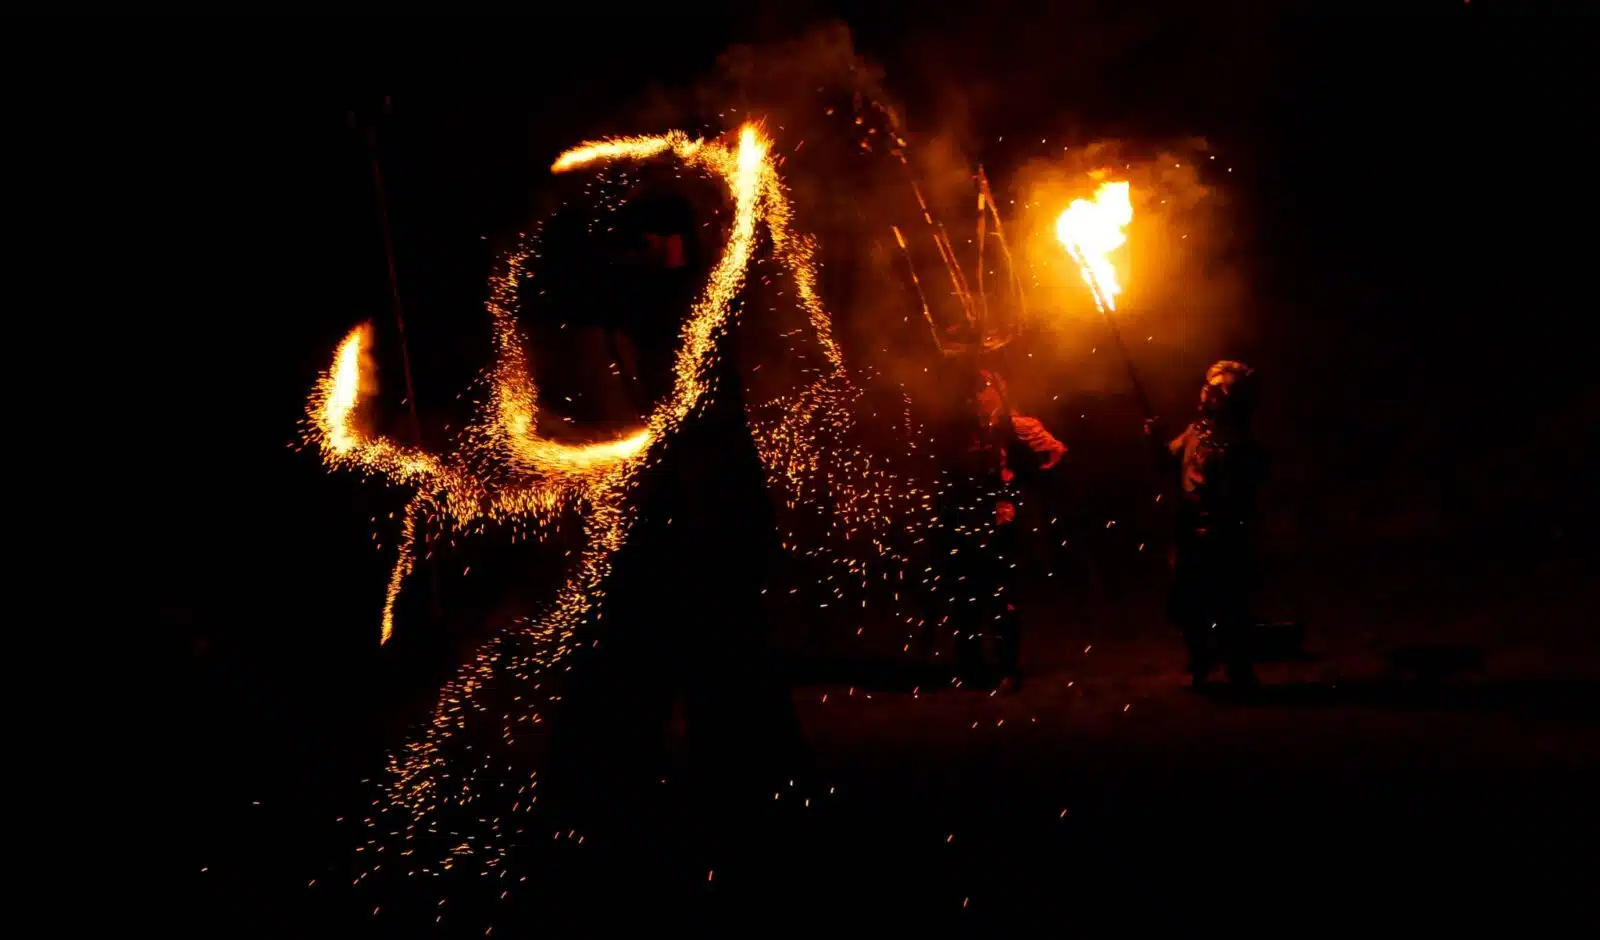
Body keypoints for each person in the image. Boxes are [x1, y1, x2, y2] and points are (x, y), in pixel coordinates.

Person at [1147, 360, 1266, 690]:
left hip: (1225, 535)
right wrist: (1155, 439)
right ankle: (1200, 662)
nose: (1208, 391)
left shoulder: (1241, 444)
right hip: (1188, 531)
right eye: (1208, 385)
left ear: (1233, 398)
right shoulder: (1193, 432)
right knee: (1186, 604)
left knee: (1229, 605)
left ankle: (1238, 670)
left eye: (1218, 388)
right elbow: (1167, 462)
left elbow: (1242, 493)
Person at [946, 365, 1066, 692]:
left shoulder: (1017, 425)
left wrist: (1024, 479)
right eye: (975, 388)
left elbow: (1055, 452)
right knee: (967, 597)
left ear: (997, 391)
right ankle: (970, 670)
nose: (977, 395)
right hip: (969, 521)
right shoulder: (967, 428)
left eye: (984, 387)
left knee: (1003, 598)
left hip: (1003, 524)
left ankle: (1007, 668)